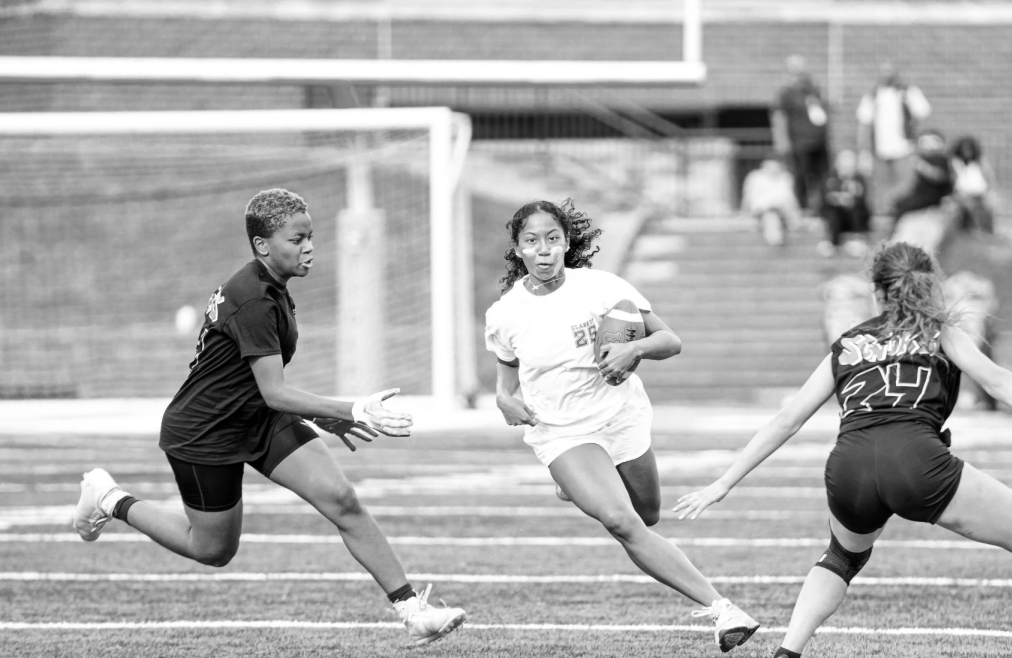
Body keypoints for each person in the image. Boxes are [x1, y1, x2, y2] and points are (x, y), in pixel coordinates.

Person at [675, 242, 1012, 658]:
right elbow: (998, 380)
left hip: (847, 467)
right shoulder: (939, 332)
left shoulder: (848, 343)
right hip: (914, 461)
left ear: (876, 291)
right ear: (930, 286)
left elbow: (787, 420)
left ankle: (788, 650)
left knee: (841, 557)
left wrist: (723, 483)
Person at [71, 188, 466, 646]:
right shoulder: (255, 298)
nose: (309, 247)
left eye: (310, 237)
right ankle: (109, 498)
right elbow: (275, 391)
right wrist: (351, 409)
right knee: (213, 549)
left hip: (256, 417)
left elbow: (264, 391)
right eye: (297, 239)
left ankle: (411, 610)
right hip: (205, 432)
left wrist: (331, 419)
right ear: (262, 245)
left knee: (342, 500)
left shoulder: (272, 287)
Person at [484, 199, 760, 653]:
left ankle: (575, 486)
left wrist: (634, 351)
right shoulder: (505, 313)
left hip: (620, 417)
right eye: (532, 241)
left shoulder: (601, 287)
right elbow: (505, 376)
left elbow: (670, 341)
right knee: (622, 521)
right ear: (517, 249)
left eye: (553, 239)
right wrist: (503, 400)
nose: (545, 250)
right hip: (563, 431)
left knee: (647, 514)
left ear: (566, 241)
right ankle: (722, 610)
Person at [856, 63, 932, 214]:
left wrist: (916, 141)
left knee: (905, 184)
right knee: (881, 187)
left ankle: (903, 213)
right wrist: (863, 150)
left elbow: (922, 114)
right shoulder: (873, 94)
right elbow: (864, 124)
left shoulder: (908, 92)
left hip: (904, 147)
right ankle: (884, 217)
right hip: (879, 149)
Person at [772, 55, 830, 216]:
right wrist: (782, 141)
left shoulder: (813, 90)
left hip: (819, 142)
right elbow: (779, 118)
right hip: (799, 142)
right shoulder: (786, 93)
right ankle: (802, 208)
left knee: (822, 176)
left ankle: (821, 207)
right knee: (801, 177)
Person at [819, 149, 872, 257]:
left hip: (853, 216)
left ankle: (858, 240)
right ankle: (832, 243)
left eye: (850, 165)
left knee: (858, 210)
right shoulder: (829, 178)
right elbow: (827, 197)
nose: (847, 168)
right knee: (832, 213)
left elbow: (859, 198)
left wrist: (843, 198)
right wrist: (843, 199)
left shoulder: (859, 179)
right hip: (837, 216)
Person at [741, 156, 802, 246]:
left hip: (783, 209)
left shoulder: (785, 177)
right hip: (764, 209)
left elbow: (790, 198)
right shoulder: (755, 178)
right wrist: (744, 213)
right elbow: (748, 197)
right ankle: (775, 239)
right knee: (771, 216)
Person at [950, 135, 997, 234]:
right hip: (962, 196)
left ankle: (986, 232)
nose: (967, 152)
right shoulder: (955, 163)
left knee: (987, 209)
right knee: (968, 208)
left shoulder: (981, 163)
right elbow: (954, 183)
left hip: (980, 196)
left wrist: (989, 194)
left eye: (969, 149)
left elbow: (989, 179)